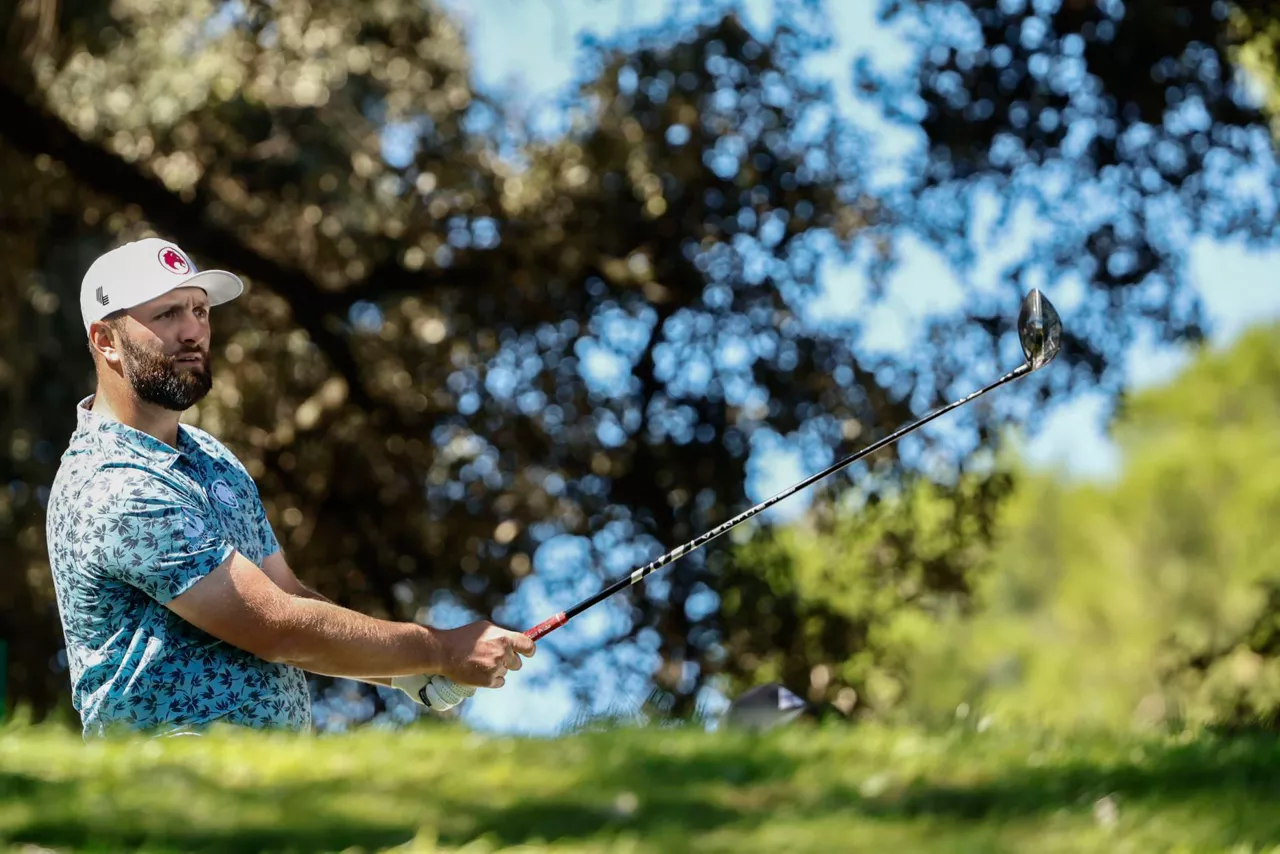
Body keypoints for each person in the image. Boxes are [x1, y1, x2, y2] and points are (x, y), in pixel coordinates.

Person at [45, 237, 534, 739]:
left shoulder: (211, 458)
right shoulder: (111, 483)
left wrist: (405, 671)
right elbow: (276, 626)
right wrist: (439, 649)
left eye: (200, 310)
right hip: (169, 793)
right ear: (106, 340)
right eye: (168, 314)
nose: (194, 331)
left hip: (260, 786)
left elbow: (289, 595)